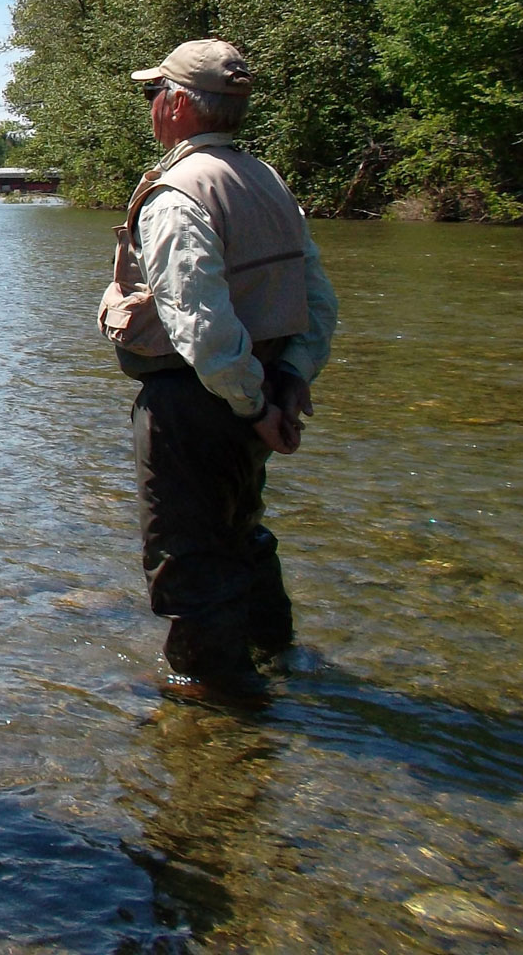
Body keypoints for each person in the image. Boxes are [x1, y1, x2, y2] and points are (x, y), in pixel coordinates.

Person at [99, 38, 338, 701]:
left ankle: (211, 696)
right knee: (240, 531)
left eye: (155, 93)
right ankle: (276, 658)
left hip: (198, 403)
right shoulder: (268, 181)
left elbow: (200, 329)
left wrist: (256, 405)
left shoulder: (178, 195)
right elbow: (318, 304)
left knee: (187, 554)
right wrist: (288, 382)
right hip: (253, 393)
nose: (151, 104)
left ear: (175, 104)